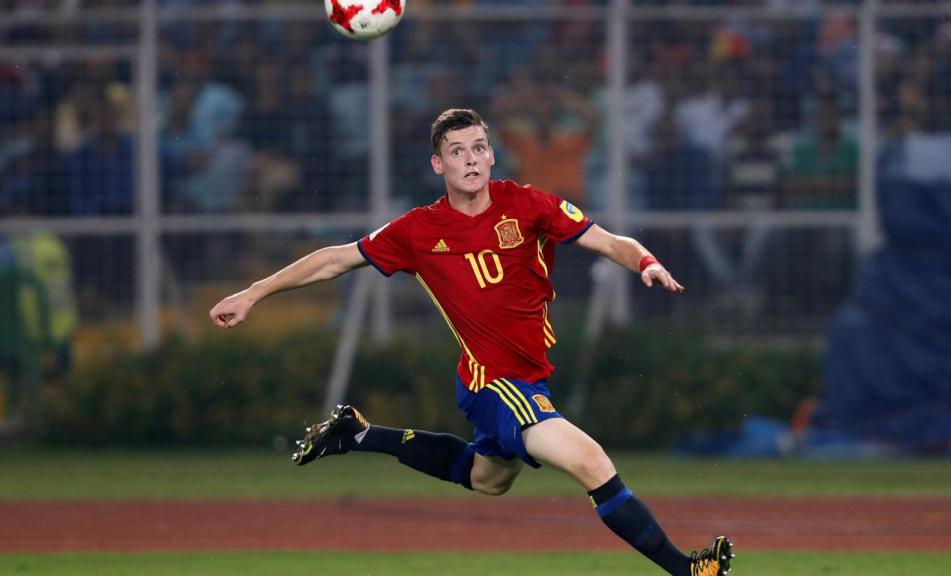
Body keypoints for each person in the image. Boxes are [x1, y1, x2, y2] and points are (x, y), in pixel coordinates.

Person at [209, 109, 734, 576]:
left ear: (491, 153)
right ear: (438, 164)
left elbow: (608, 240)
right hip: (493, 382)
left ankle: (360, 435)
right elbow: (333, 259)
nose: (471, 159)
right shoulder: (418, 230)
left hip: (530, 374)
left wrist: (645, 261)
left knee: (488, 480)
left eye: (479, 147)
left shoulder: (527, 205)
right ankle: (689, 572)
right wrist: (255, 292)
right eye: (456, 152)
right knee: (592, 463)